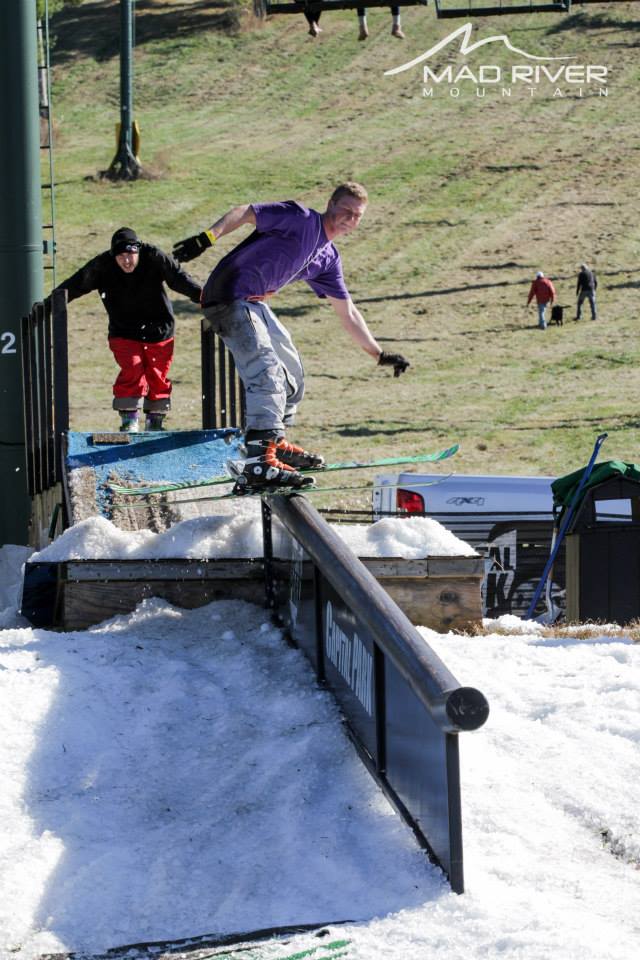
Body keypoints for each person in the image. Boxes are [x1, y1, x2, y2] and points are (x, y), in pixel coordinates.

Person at [172, 182, 410, 491]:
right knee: (267, 373)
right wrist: (208, 237)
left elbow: (347, 311)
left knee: (292, 375)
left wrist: (379, 354)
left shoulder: (328, 258)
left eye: (357, 215)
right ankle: (259, 460)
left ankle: (275, 443)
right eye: (346, 210)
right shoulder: (301, 218)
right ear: (331, 204)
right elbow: (246, 212)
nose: (350, 218)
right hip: (228, 297)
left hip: (254, 304)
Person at [52, 228, 202, 432]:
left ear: (138, 251)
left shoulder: (153, 256)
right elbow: (76, 284)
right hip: (123, 331)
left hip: (159, 329)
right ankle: (129, 419)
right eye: (121, 256)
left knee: (157, 374)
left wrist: (203, 296)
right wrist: (51, 303)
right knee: (133, 368)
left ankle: (155, 421)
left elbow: (178, 278)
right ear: (113, 256)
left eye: (130, 254)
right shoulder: (103, 265)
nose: (126, 261)